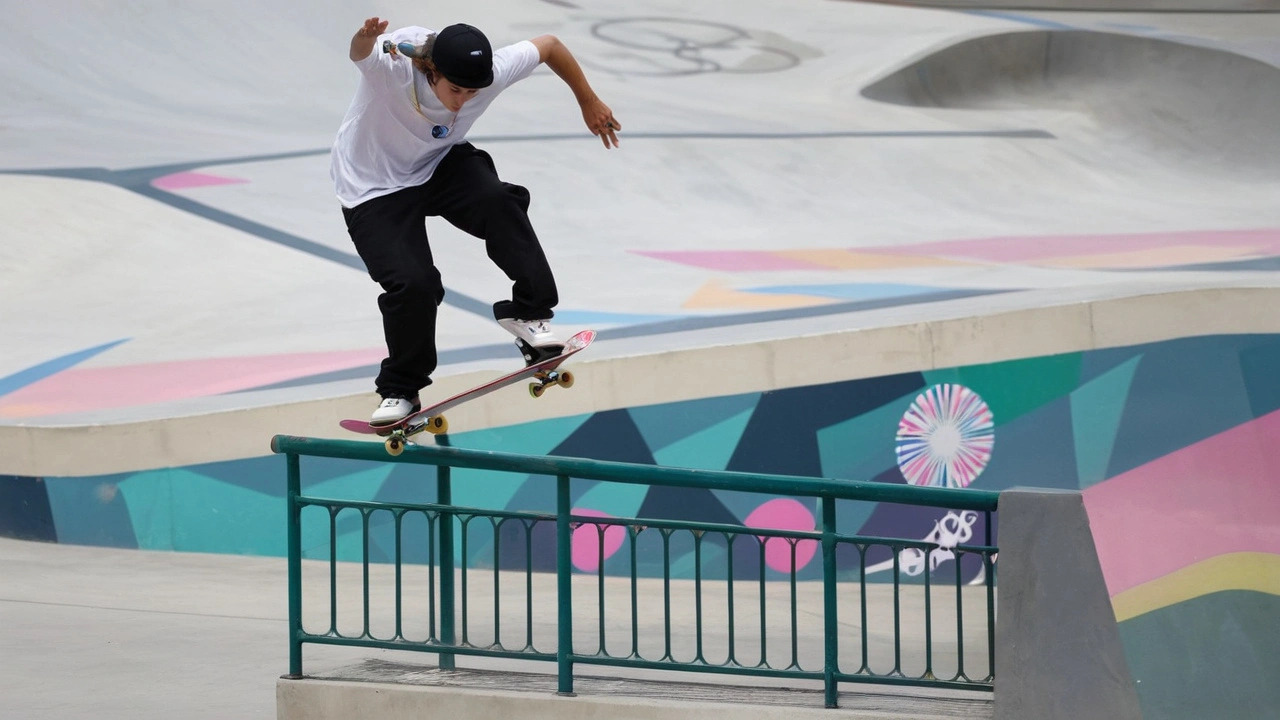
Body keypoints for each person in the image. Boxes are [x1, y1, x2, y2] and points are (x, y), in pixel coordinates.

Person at [331, 18, 621, 426]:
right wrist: (363, 38)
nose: (463, 101)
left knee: (499, 201)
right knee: (414, 283)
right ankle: (401, 390)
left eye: (473, 92)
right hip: (372, 186)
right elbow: (360, 55)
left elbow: (551, 45)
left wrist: (587, 100)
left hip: (437, 163)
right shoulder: (396, 68)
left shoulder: (492, 73)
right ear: (432, 72)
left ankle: (528, 312)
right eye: (455, 90)